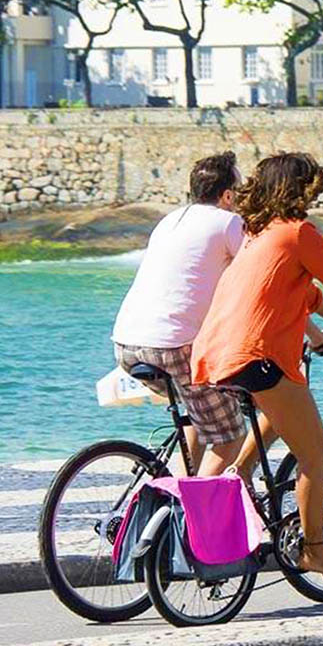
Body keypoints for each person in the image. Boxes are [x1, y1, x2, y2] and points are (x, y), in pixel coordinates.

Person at [191, 152, 323, 582]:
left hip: (216, 352)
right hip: (256, 354)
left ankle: (241, 473)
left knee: (286, 401)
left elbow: (294, 287)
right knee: (314, 453)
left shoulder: (260, 235)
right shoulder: (297, 232)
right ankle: (315, 550)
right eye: (311, 190)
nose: (314, 200)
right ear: (295, 190)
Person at [111, 152, 246, 476]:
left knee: (201, 413)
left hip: (125, 344)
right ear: (227, 195)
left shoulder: (170, 220)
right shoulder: (228, 222)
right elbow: (260, 278)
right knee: (231, 437)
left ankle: (175, 494)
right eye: (239, 191)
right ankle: (192, 512)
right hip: (172, 347)